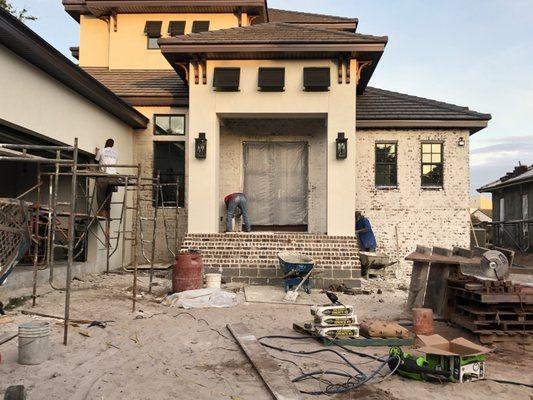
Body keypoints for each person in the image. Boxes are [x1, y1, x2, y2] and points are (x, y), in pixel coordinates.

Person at [95, 139, 119, 218]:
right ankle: (108, 212)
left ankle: (101, 211)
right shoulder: (116, 153)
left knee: (100, 193)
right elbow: (114, 164)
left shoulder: (101, 151)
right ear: (112, 145)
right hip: (113, 177)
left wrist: (97, 152)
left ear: (106, 143)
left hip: (104, 176)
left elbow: (96, 160)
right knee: (108, 195)